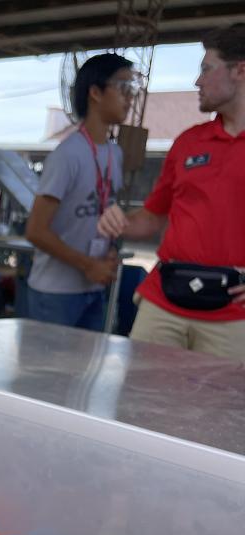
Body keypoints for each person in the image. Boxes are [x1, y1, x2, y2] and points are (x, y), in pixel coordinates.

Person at [98, 24, 245, 360]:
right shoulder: (188, 142)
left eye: (206, 69)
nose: (197, 81)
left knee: (223, 412)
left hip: (234, 316)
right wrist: (117, 221)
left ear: (239, 70)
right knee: (138, 405)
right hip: (163, 302)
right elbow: (151, 219)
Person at [25, 53, 137, 331]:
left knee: (85, 373)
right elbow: (36, 230)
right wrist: (87, 264)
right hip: (55, 293)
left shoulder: (115, 153)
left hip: (92, 288)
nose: (130, 97)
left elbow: (103, 212)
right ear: (95, 93)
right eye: (123, 86)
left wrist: (108, 251)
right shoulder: (68, 154)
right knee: (51, 373)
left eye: (132, 88)